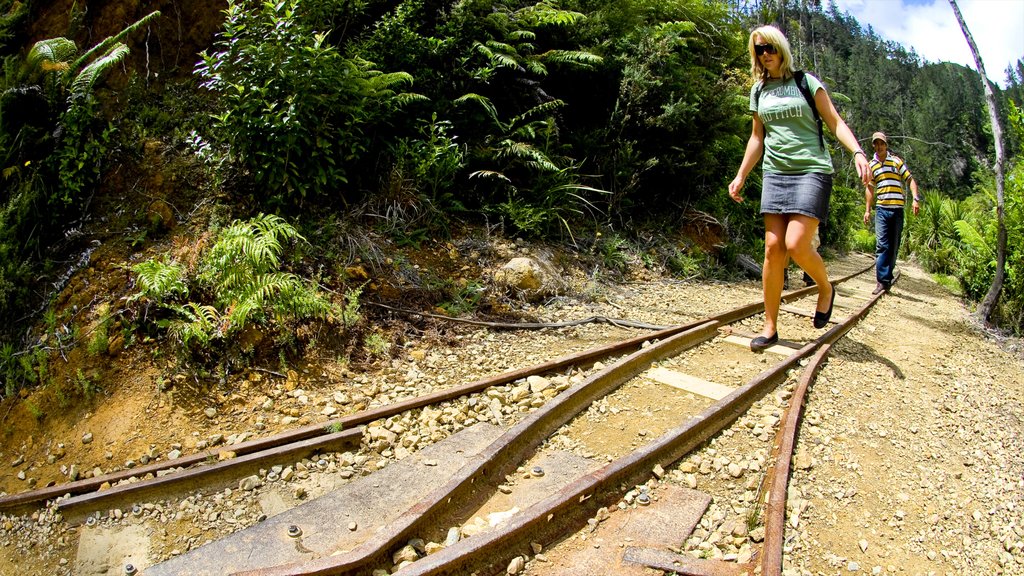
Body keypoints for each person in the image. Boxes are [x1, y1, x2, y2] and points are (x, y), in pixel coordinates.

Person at [728, 25, 872, 352]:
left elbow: (834, 121)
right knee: (772, 249)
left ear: (781, 48)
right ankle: (770, 326)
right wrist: (741, 176)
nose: (765, 54)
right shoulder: (759, 90)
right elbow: (757, 138)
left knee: (795, 244)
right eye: (759, 50)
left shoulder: (806, 83)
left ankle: (824, 288)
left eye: (769, 47)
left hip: (811, 170)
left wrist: (858, 152)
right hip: (775, 174)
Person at [863, 131, 920, 294]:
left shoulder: (896, 161)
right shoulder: (871, 165)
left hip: (897, 210)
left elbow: (910, 180)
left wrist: (915, 199)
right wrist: (867, 210)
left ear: (886, 145)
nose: (879, 146)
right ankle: (881, 281)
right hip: (881, 209)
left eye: (882, 143)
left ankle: (887, 278)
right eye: (876, 144)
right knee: (882, 245)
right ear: (873, 146)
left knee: (894, 246)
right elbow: (870, 188)